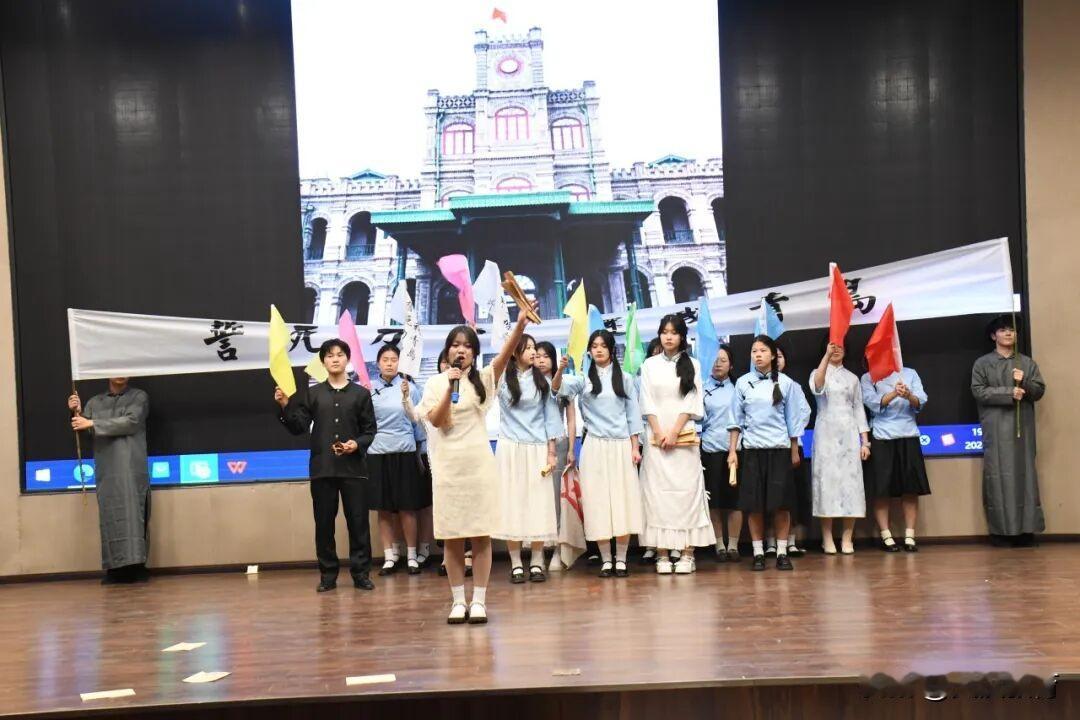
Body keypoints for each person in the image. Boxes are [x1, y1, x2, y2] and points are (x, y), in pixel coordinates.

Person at [416, 302, 538, 624]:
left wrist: (520, 325)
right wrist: (450, 386)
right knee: (453, 536)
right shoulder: (435, 383)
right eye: (456, 345)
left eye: (468, 346)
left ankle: (480, 601)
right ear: (448, 350)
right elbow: (438, 421)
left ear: (474, 353)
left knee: (481, 536)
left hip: (479, 467)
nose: (462, 350)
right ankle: (458, 601)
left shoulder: (484, 379)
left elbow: (505, 355)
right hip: (448, 470)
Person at [276, 339, 377, 592]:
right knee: (324, 524)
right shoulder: (314, 394)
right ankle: (328, 575)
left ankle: (361, 574)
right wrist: (285, 406)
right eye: (330, 355)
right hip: (323, 468)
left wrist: (356, 444)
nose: (335, 359)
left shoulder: (361, 394)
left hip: (354, 469)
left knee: (358, 523)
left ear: (347, 359)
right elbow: (299, 426)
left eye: (340, 354)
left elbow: (370, 431)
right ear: (323, 362)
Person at [553, 330, 644, 578]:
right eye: (594, 346)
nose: (599, 350)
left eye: (603, 345)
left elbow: (633, 415)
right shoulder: (583, 380)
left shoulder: (625, 379)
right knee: (598, 504)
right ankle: (606, 560)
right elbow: (556, 387)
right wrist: (560, 369)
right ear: (589, 351)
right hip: (594, 447)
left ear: (611, 349)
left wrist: (635, 447)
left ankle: (621, 559)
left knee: (623, 502)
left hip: (621, 446)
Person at [639, 315, 715, 574]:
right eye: (664, 332)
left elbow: (692, 402)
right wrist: (660, 431)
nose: (668, 337)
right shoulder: (649, 365)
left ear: (682, 336)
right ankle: (661, 554)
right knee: (656, 496)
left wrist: (674, 432)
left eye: (673, 332)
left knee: (686, 495)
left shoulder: (692, 364)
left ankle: (687, 553)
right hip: (656, 439)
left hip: (683, 439)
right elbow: (646, 401)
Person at [727, 335, 810, 571]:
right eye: (754, 351)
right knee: (754, 506)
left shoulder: (786, 383)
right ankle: (758, 553)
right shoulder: (743, 383)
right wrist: (732, 451)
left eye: (763, 351)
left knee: (781, 505)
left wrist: (794, 450)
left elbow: (793, 420)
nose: (758, 355)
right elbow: (735, 421)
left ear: (773, 355)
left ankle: (782, 552)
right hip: (752, 451)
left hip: (780, 451)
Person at [971, 315, 1046, 547]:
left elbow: (1039, 390)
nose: (1008, 334)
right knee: (997, 477)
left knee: (1025, 474)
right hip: (995, 428)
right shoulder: (982, 363)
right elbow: (978, 391)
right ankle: (1001, 532)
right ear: (993, 335)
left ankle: (1026, 531)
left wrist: (1024, 384)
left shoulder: (1026, 363)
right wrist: (1008, 392)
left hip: (1022, 429)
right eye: (1003, 330)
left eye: (1012, 330)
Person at [68, 378, 151, 584]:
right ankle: (114, 569)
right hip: (107, 469)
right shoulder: (95, 402)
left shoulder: (138, 396)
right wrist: (75, 413)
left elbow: (131, 422)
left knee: (134, 516)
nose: (119, 374)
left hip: (131, 468)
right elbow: (84, 431)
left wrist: (92, 423)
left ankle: (137, 568)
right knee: (110, 517)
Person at [493, 333, 561, 583]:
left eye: (534, 347)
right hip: (509, 448)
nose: (534, 352)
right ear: (515, 351)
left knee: (538, 504)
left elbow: (551, 418)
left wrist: (551, 453)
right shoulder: (502, 378)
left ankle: (536, 561)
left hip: (537, 449)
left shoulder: (543, 381)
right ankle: (515, 563)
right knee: (512, 504)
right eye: (528, 348)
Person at [368, 344, 430, 576]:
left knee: (407, 507)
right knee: (383, 508)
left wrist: (422, 452)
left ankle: (411, 555)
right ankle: (389, 556)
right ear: (378, 363)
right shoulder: (369, 389)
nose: (389, 363)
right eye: (385, 359)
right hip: (377, 453)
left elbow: (419, 423)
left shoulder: (411, 388)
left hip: (405, 452)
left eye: (394, 359)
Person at [810, 337, 870, 555]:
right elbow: (817, 387)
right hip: (825, 434)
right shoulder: (817, 372)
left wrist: (865, 441)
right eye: (831, 347)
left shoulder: (852, 378)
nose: (836, 350)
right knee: (826, 485)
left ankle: (847, 537)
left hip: (849, 435)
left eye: (840, 347)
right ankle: (827, 538)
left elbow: (858, 409)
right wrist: (826, 357)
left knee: (850, 485)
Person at [861, 364, 930, 552]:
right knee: (882, 490)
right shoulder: (868, 377)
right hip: (882, 437)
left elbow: (921, 400)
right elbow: (871, 403)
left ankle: (910, 536)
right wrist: (894, 393)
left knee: (910, 488)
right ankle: (886, 536)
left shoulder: (910, 373)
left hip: (909, 435)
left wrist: (908, 395)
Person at [534, 342, 577, 546]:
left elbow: (571, 419)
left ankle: (558, 545)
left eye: (546, 356)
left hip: (559, 445)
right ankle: (539, 544)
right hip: (535, 444)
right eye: (537, 356)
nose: (541, 360)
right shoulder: (529, 384)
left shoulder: (564, 384)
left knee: (556, 495)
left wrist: (571, 448)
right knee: (538, 494)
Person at [702, 345, 742, 562]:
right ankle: (719, 545)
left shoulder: (738, 388)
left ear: (731, 365)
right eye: (715, 360)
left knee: (735, 502)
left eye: (723, 360)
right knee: (714, 502)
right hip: (710, 450)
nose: (718, 364)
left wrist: (734, 449)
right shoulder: (701, 388)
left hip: (735, 451)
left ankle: (733, 546)